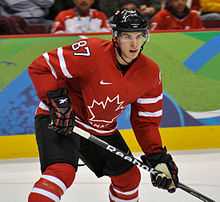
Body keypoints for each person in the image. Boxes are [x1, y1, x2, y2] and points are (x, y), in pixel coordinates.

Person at [28, 9, 179, 202]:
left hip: (101, 129)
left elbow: (146, 122)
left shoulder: (150, 73)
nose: (134, 43)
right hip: (62, 119)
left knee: (129, 178)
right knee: (61, 172)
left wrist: (156, 156)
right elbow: (42, 67)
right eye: (127, 36)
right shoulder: (91, 51)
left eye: (139, 36)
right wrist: (59, 103)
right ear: (115, 36)